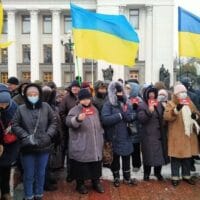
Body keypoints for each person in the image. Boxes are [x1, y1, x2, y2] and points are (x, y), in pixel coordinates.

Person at [12, 83, 57, 200]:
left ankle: (39, 195)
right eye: (30, 94)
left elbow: (53, 122)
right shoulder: (21, 109)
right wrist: (25, 136)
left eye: (35, 94)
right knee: (28, 174)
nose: (33, 96)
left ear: (39, 94)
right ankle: (28, 196)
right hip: (27, 147)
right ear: (26, 95)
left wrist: (48, 135)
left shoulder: (46, 107)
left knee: (41, 173)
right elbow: (15, 125)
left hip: (44, 146)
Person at [66, 89, 104, 194]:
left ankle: (96, 182)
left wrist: (101, 133)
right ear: (79, 99)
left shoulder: (94, 109)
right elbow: (69, 122)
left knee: (95, 165)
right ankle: (80, 184)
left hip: (95, 143)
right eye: (83, 99)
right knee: (81, 165)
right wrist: (77, 119)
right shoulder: (74, 110)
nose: (86, 101)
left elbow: (99, 123)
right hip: (82, 143)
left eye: (88, 98)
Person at [163, 83, 199, 187]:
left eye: (184, 92)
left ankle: (186, 176)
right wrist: (176, 110)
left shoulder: (189, 102)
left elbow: (196, 112)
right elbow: (167, 116)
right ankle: (175, 177)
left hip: (188, 135)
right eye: (181, 92)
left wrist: (195, 115)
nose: (183, 94)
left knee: (187, 158)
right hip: (177, 136)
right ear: (176, 94)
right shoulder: (171, 103)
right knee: (176, 158)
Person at [101, 81, 136, 187]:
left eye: (121, 92)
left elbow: (132, 116)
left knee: (126, 158)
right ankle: (116, 178)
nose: (120, 94)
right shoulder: (108, 104)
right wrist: (119, 116)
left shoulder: (127, 102)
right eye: (117, 92)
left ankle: (127, 178)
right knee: (115, 159)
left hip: (126, 136)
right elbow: (105, 119)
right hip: (114, 137)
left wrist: (127, 114)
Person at [137, 85, 167, 181]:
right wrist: (149, 112)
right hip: (147, 134)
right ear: (146, 94)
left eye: (153, 93)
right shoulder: (142, 105)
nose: (151, 95)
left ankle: (158, 173)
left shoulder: (159, 104)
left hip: (159, 134)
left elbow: (162, 118)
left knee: (159, 155)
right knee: (148, 155)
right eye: (149, 93)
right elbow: (141, 119)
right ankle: (146, 174)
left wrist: (165, 109)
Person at [59, 80, 81, 182]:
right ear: (71, 88)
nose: (75, 89)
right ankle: (70, 173)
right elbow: (61, 112)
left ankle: (80, 173)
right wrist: (67, 121)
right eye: (73, 87)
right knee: (70, 151)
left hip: (82, 129)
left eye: (77, 87)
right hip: (69, 129)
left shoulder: (83, 97)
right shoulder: (66, 98)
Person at [0, 84, 18, 200]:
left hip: (9, 143)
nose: (3, 106)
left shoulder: (14, 106)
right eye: (1, 104)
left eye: (6, 104)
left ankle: (5, 192)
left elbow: (18, 122)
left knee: (5, 168)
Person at [126, 82, 142, 172]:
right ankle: (127, 165)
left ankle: (136, 164)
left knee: (135, 146)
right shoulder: (125, 98)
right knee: (128, 146)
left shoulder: (139, 100)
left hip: (136, 126)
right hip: (127, 125)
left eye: (128, 88)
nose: (126, 90)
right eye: (126, 88)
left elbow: (141, 112)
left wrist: (136, 108)